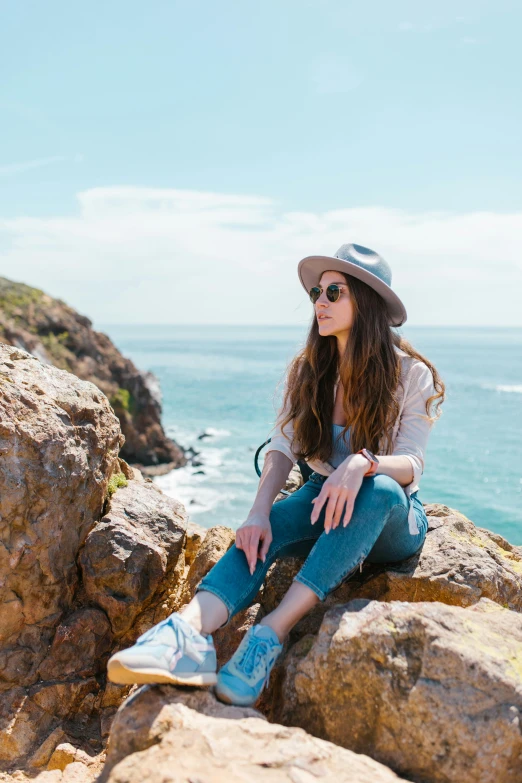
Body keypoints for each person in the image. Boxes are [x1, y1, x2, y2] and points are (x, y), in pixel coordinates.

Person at [107, 242, 445, 707]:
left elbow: (411, 465)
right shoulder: (310, 370)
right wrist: (257, 513)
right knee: (259, 535)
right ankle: (185, 635)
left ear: (365, 301)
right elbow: (283, 448)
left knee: (380, 488)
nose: (319, 303)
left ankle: (270, 634)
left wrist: (360, 463)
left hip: (391, 518)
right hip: (321, 497)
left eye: (333, 292)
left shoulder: (412, 374)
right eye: (315, 294)